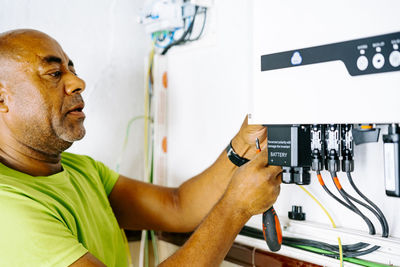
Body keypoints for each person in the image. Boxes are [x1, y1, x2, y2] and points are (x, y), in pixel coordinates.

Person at [0, 29, 282, 267]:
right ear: (2, 99)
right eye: (53, 73)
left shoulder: (81, 169)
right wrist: (236, 207)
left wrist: (242, 145)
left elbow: (179, 206)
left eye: (71, 69)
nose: (77, 82)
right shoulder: (7, 209)